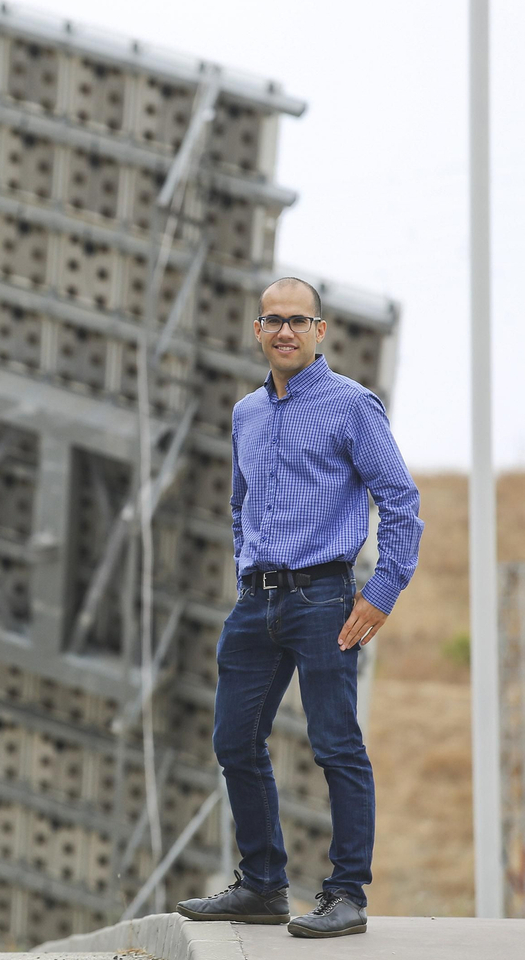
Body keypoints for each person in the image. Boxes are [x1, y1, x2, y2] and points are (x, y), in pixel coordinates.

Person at [174, 277, 423, 938]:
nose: (285, 331)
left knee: (336, 744)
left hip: (326, 598)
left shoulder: (351, 406)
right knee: (234, 739)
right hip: (257, 602)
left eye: (298, 321)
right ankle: (261, 885)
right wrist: (245, 569)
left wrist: (383, 591)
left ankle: (346, 895)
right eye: (273, 320)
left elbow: (400, 501)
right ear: (257, 331)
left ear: (320, 332)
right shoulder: (245, 414)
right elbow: (240, 506)